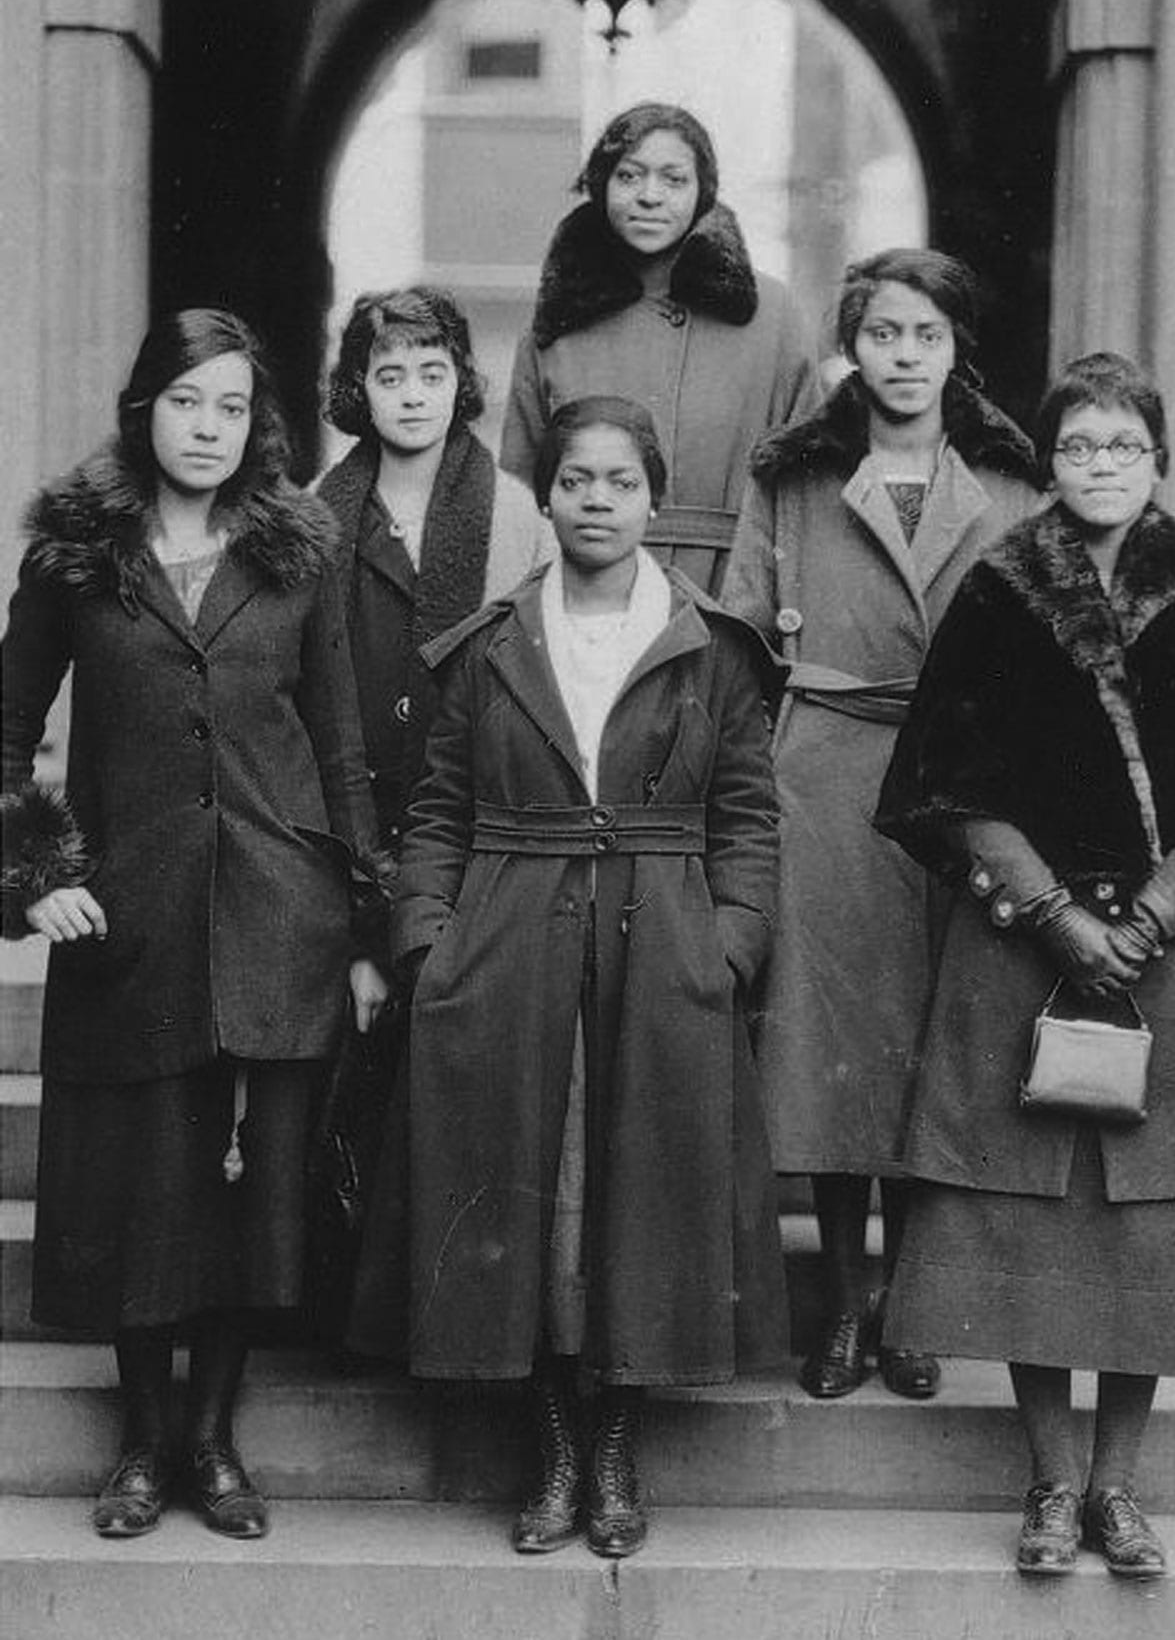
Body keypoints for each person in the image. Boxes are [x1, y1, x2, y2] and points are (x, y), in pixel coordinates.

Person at [348, 395, 786, 1557]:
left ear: (652, 497)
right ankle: (548, 1447)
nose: (596, 501)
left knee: (637, 1197)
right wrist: (427, 943)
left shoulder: (714, 646)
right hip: (506, 941)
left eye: (619, 481)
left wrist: (728, 944)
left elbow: (745, 816)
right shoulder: (488, 644)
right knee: (535, 1202)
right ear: (543, 497)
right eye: (576, 480)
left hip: (662, 950)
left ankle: (615, 1452)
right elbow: (436, 810)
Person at [874, 352, 1175, 1577]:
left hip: (1172, 950)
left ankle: (1117, 1489)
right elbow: (945, 781)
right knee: (1020, 1223)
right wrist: (1053, 915)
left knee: (1147, 1233)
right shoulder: (999, 591)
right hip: (1021, 949)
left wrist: (1152, 914)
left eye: (1123, 446)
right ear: (1045, 460)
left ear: (1155, 459)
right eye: (1078, 445)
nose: (1100, 466)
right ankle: (1048, 1484)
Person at [0, 309, 387, 1541]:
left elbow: (339, 742)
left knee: (243, 1195)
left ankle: (213, 1441)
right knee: (137, 1188)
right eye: (184, 402)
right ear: (143, 408)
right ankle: (139, 1443)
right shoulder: (74, 553)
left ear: (256, 421)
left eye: (229, 406)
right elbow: (6, 735)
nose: (207, 428)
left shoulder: (299, 552)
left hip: (280, 912)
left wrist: (366, 923)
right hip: (130, 922)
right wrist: (31, 871)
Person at [721, 248, 1042, 1403]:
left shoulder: (1010, 485)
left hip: (963, 793)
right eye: (883, 334)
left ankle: (912, 1297)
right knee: (830, 1047)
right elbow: (741, 638)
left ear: (956, 354)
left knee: (936, 1042)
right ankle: (846, 1306)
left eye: (926, 337)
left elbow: (1045, 657)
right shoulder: (795, 477)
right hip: (827, 778)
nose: (903, 358)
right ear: (849, 346)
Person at [312, 289, 554, 1330]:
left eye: (430, 371)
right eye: (387, 373)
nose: (410, 394)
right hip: (353, 821)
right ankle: (358, 1306)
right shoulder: (317, 517)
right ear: (356, 389)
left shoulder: (507, 509)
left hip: (477, 819)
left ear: (461, 380)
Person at [499, 102, 820, 592]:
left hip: (734, 595)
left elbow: (809, 486)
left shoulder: (772, 316)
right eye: (629, 176)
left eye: (674, 180)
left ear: (703, 192)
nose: (650, 196)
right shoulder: (556, 323)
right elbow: (521, 493)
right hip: (584, 592)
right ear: (601, 185)